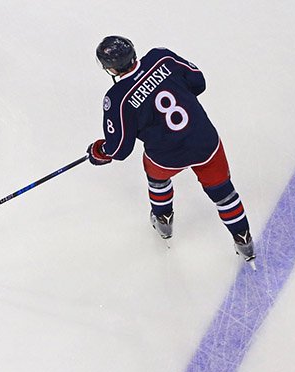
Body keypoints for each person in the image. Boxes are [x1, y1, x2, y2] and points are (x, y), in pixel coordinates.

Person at [86, 36, 255, 266]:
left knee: (157, 178)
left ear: (111, 68)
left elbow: (119, 148)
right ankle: (243, 240)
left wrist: (99, 152)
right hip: (203, 140)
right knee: (224, 193)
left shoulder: (118, 98)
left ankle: (164, 219)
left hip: (167, 155)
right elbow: (199, 82)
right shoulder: (161, 57)